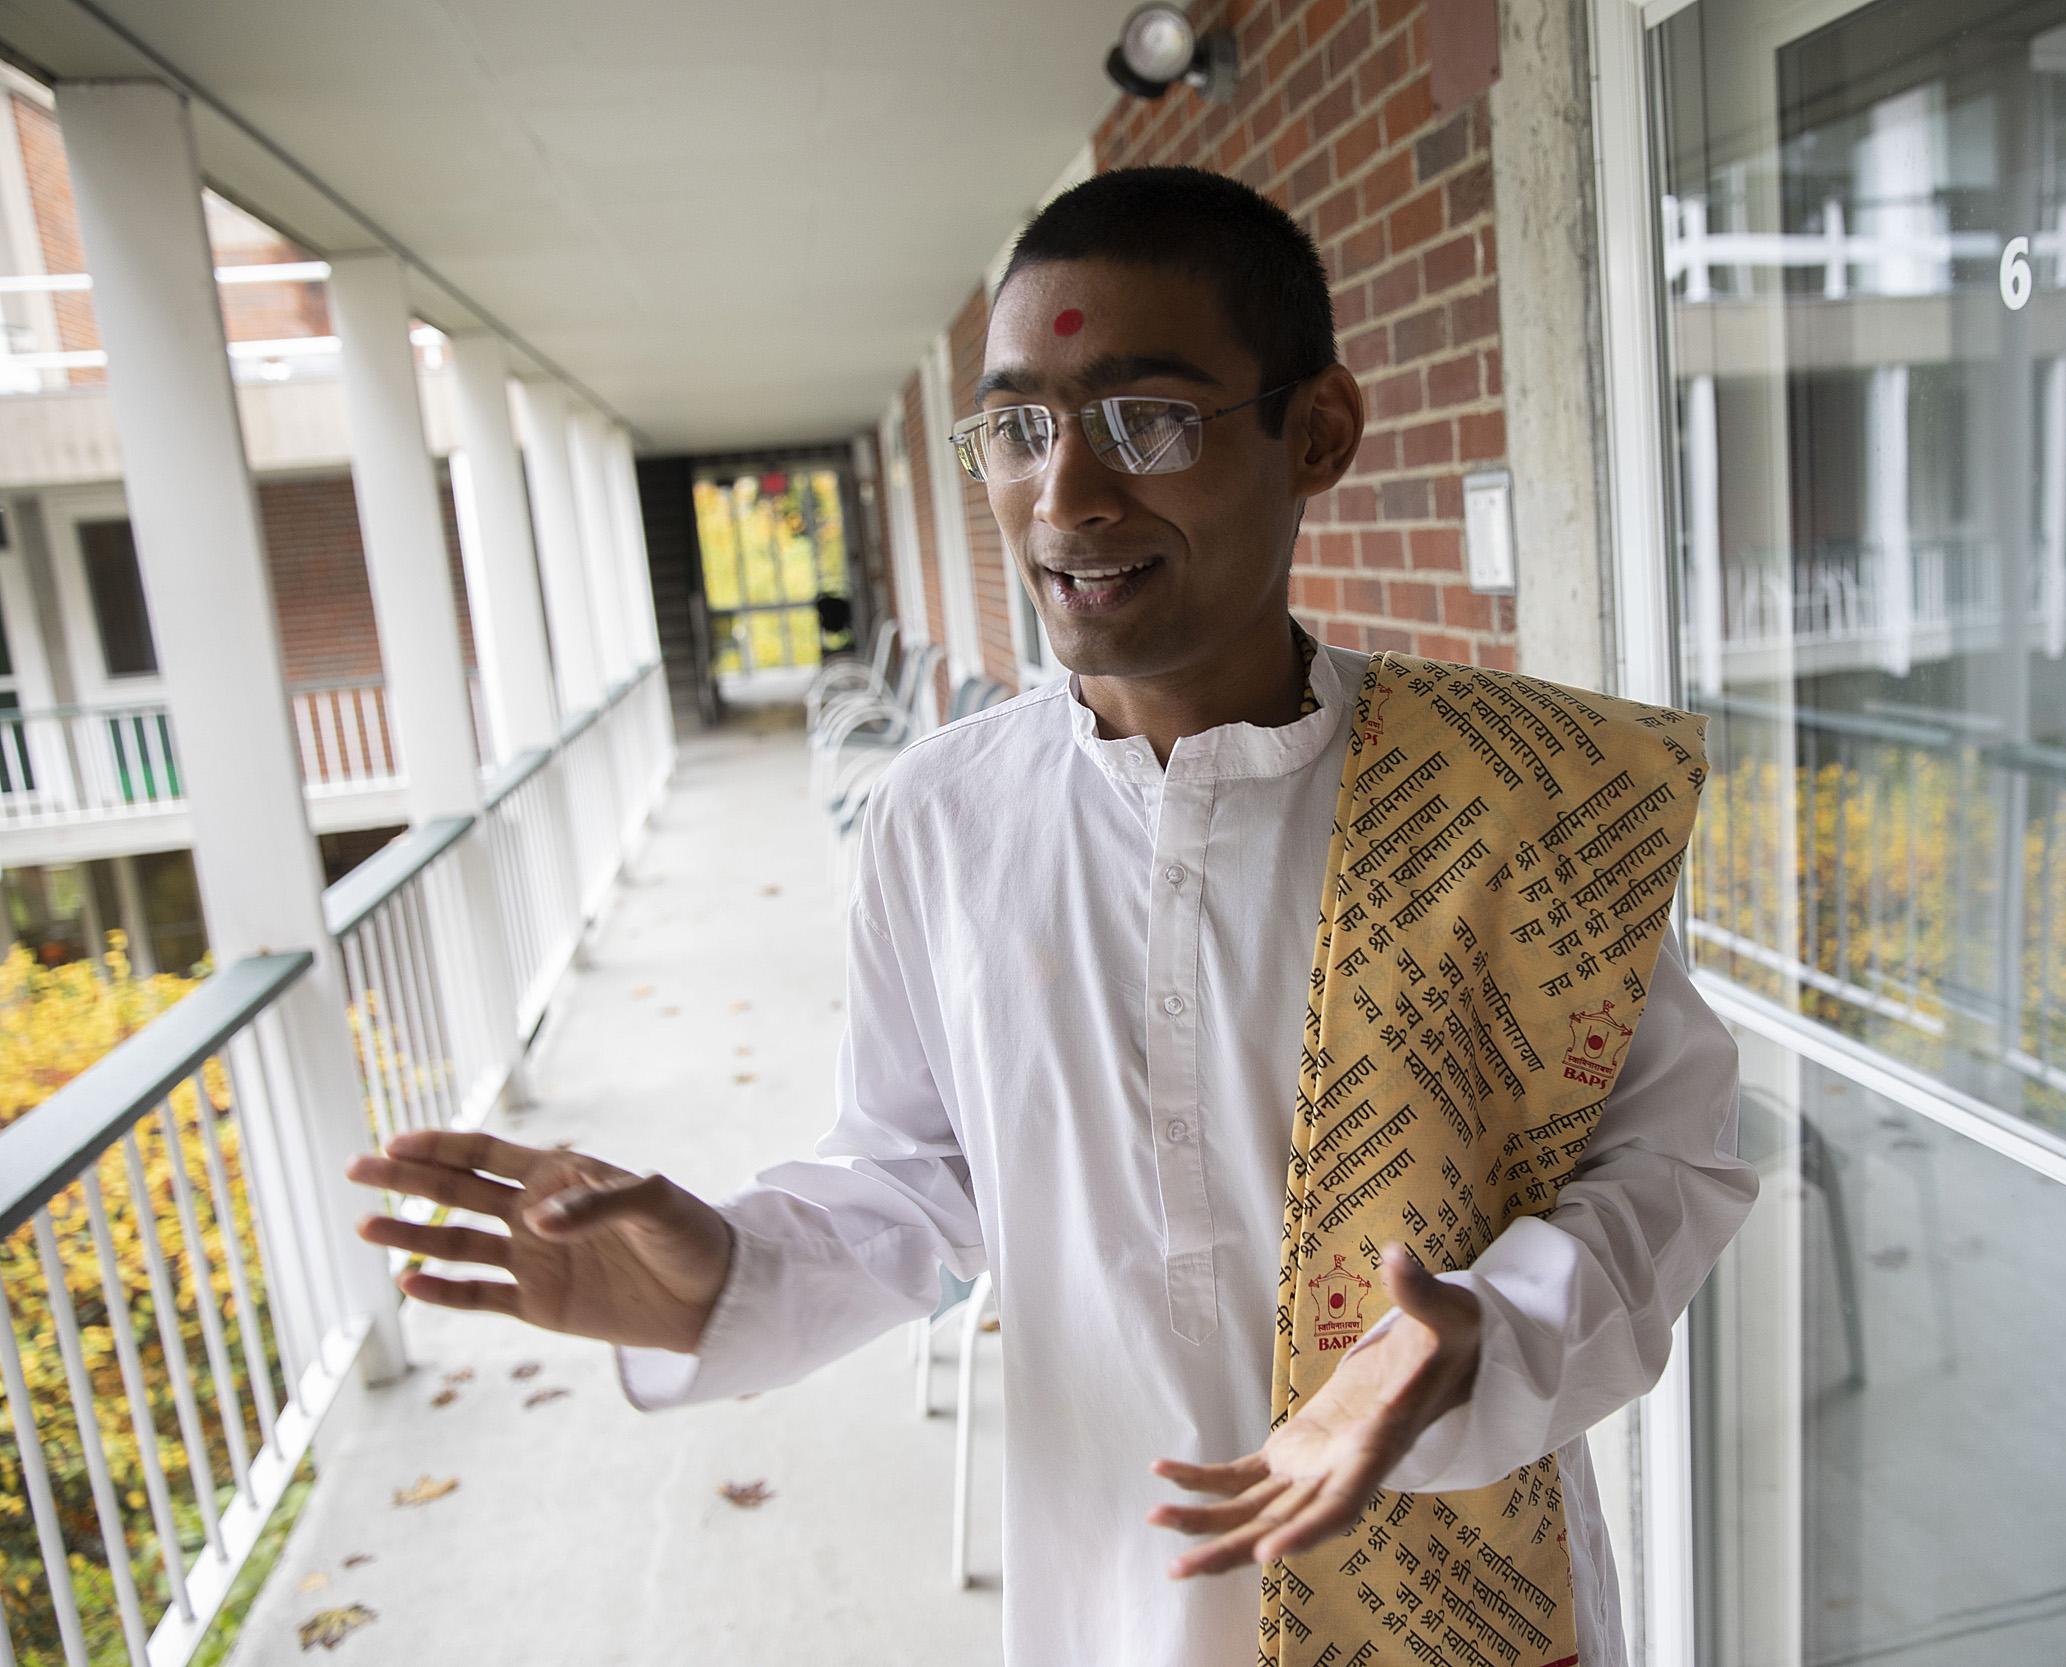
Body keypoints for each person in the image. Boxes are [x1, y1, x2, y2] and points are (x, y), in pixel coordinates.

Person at [351, 166, 1755, 1667]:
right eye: (1019, 428)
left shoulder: (1511, 801)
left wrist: (1483, 1335)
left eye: (1148, 418)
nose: (1068, 497)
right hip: (1114, 1597)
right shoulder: (943, 821)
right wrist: (732, 1273)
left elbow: (1666, 1162)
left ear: (1319, 433)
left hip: (1460, 1589)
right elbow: (917, 1178)